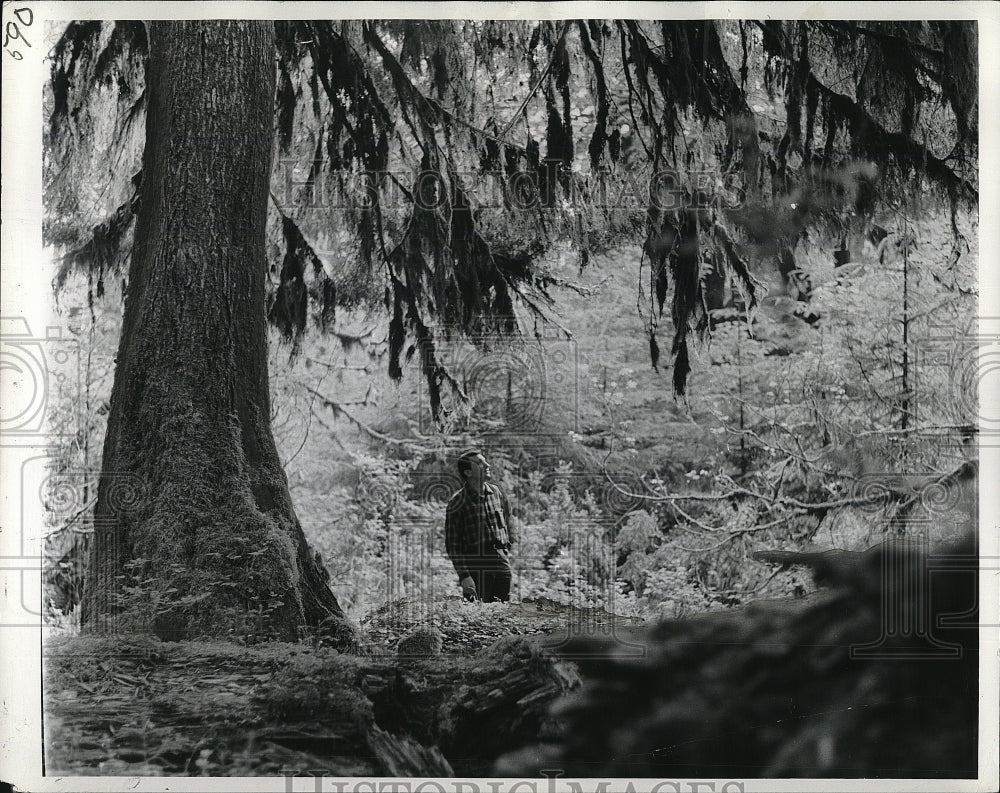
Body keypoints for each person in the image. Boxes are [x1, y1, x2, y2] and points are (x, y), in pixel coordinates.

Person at [444, 449, 513, 602]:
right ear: (468, 472)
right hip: (476, 562)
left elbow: (507, 521)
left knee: (502, 611)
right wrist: (464, 576)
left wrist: (507, 547)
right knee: (477, 612)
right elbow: (452, 545)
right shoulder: (457, 503)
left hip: (501, 559)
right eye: (480, 463)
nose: (487, 465)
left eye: (485, 461)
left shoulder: (495, 492)